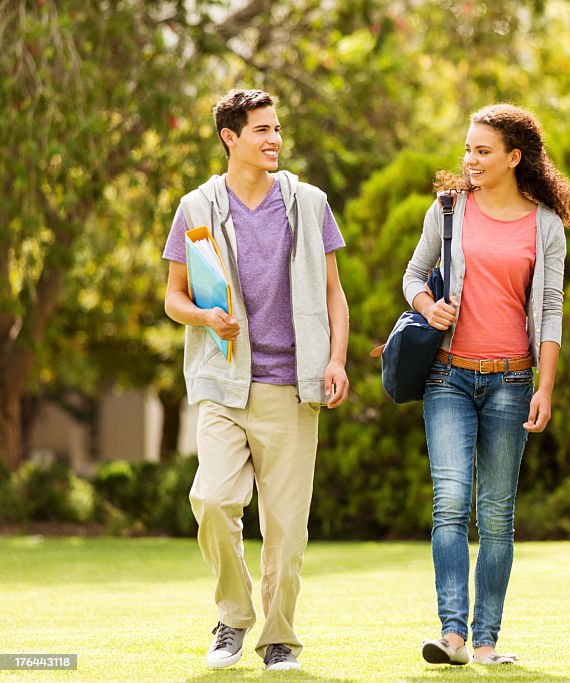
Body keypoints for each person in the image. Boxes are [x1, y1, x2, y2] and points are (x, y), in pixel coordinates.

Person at [162, 89, 349, 672]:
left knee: (286, 530)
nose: (274, 140)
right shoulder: (195, 208)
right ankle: (234, 615)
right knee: (212, 499)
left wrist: (337, 360)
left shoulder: (310, 203)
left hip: (292, 386)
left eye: (277, 129)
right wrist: (203, 316)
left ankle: (279, 639)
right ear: (230, 138)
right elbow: (173, 298)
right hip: (223, 382)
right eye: (262, 130)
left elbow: (332, 293)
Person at [403, 104, 570, 666]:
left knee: (498, 513)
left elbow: (549, 312)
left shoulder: (545, 225)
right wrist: (429, 306)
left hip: (510, 380)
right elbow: (413, 276)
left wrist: (545, 387)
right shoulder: (449, 210)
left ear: (513, 157)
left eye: (483, 150)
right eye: (468, 149)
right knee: (451, 502)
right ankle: (452, 636)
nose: (471, 159)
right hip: (447, 376)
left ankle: (486, 643)